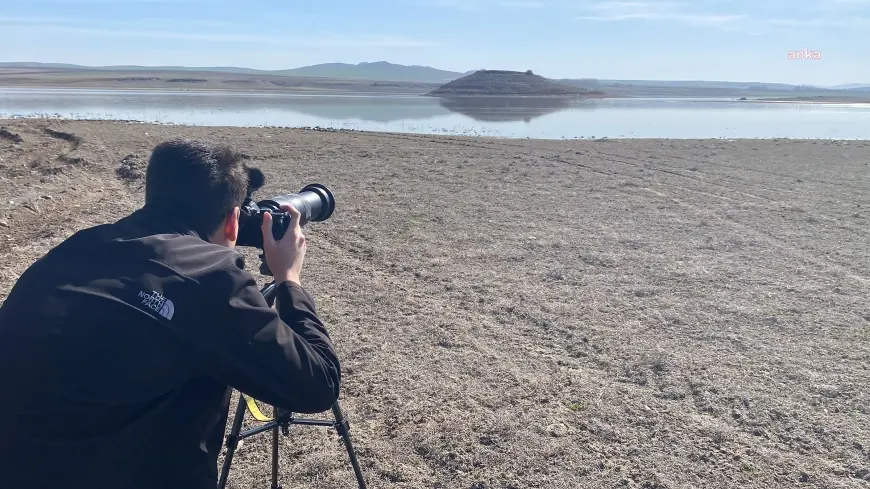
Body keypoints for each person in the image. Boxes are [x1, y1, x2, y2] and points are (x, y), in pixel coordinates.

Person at [0, 139, 341, 489]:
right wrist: (289, 280)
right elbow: (318, 385)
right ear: (233, 222)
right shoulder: (210, 277)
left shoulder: (74, 248)